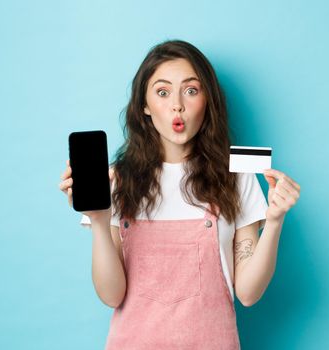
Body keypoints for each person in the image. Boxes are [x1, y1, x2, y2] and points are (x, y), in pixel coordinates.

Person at [59, 39, 301, 349]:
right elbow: (111, 295)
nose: (177, 105)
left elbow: (249, 293)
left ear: (207, 100)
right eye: (162, 92)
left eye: (191, 90)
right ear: (144, 106)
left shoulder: (236, 176)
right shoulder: (116, 180)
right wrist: (98, 220)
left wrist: (275, 221)